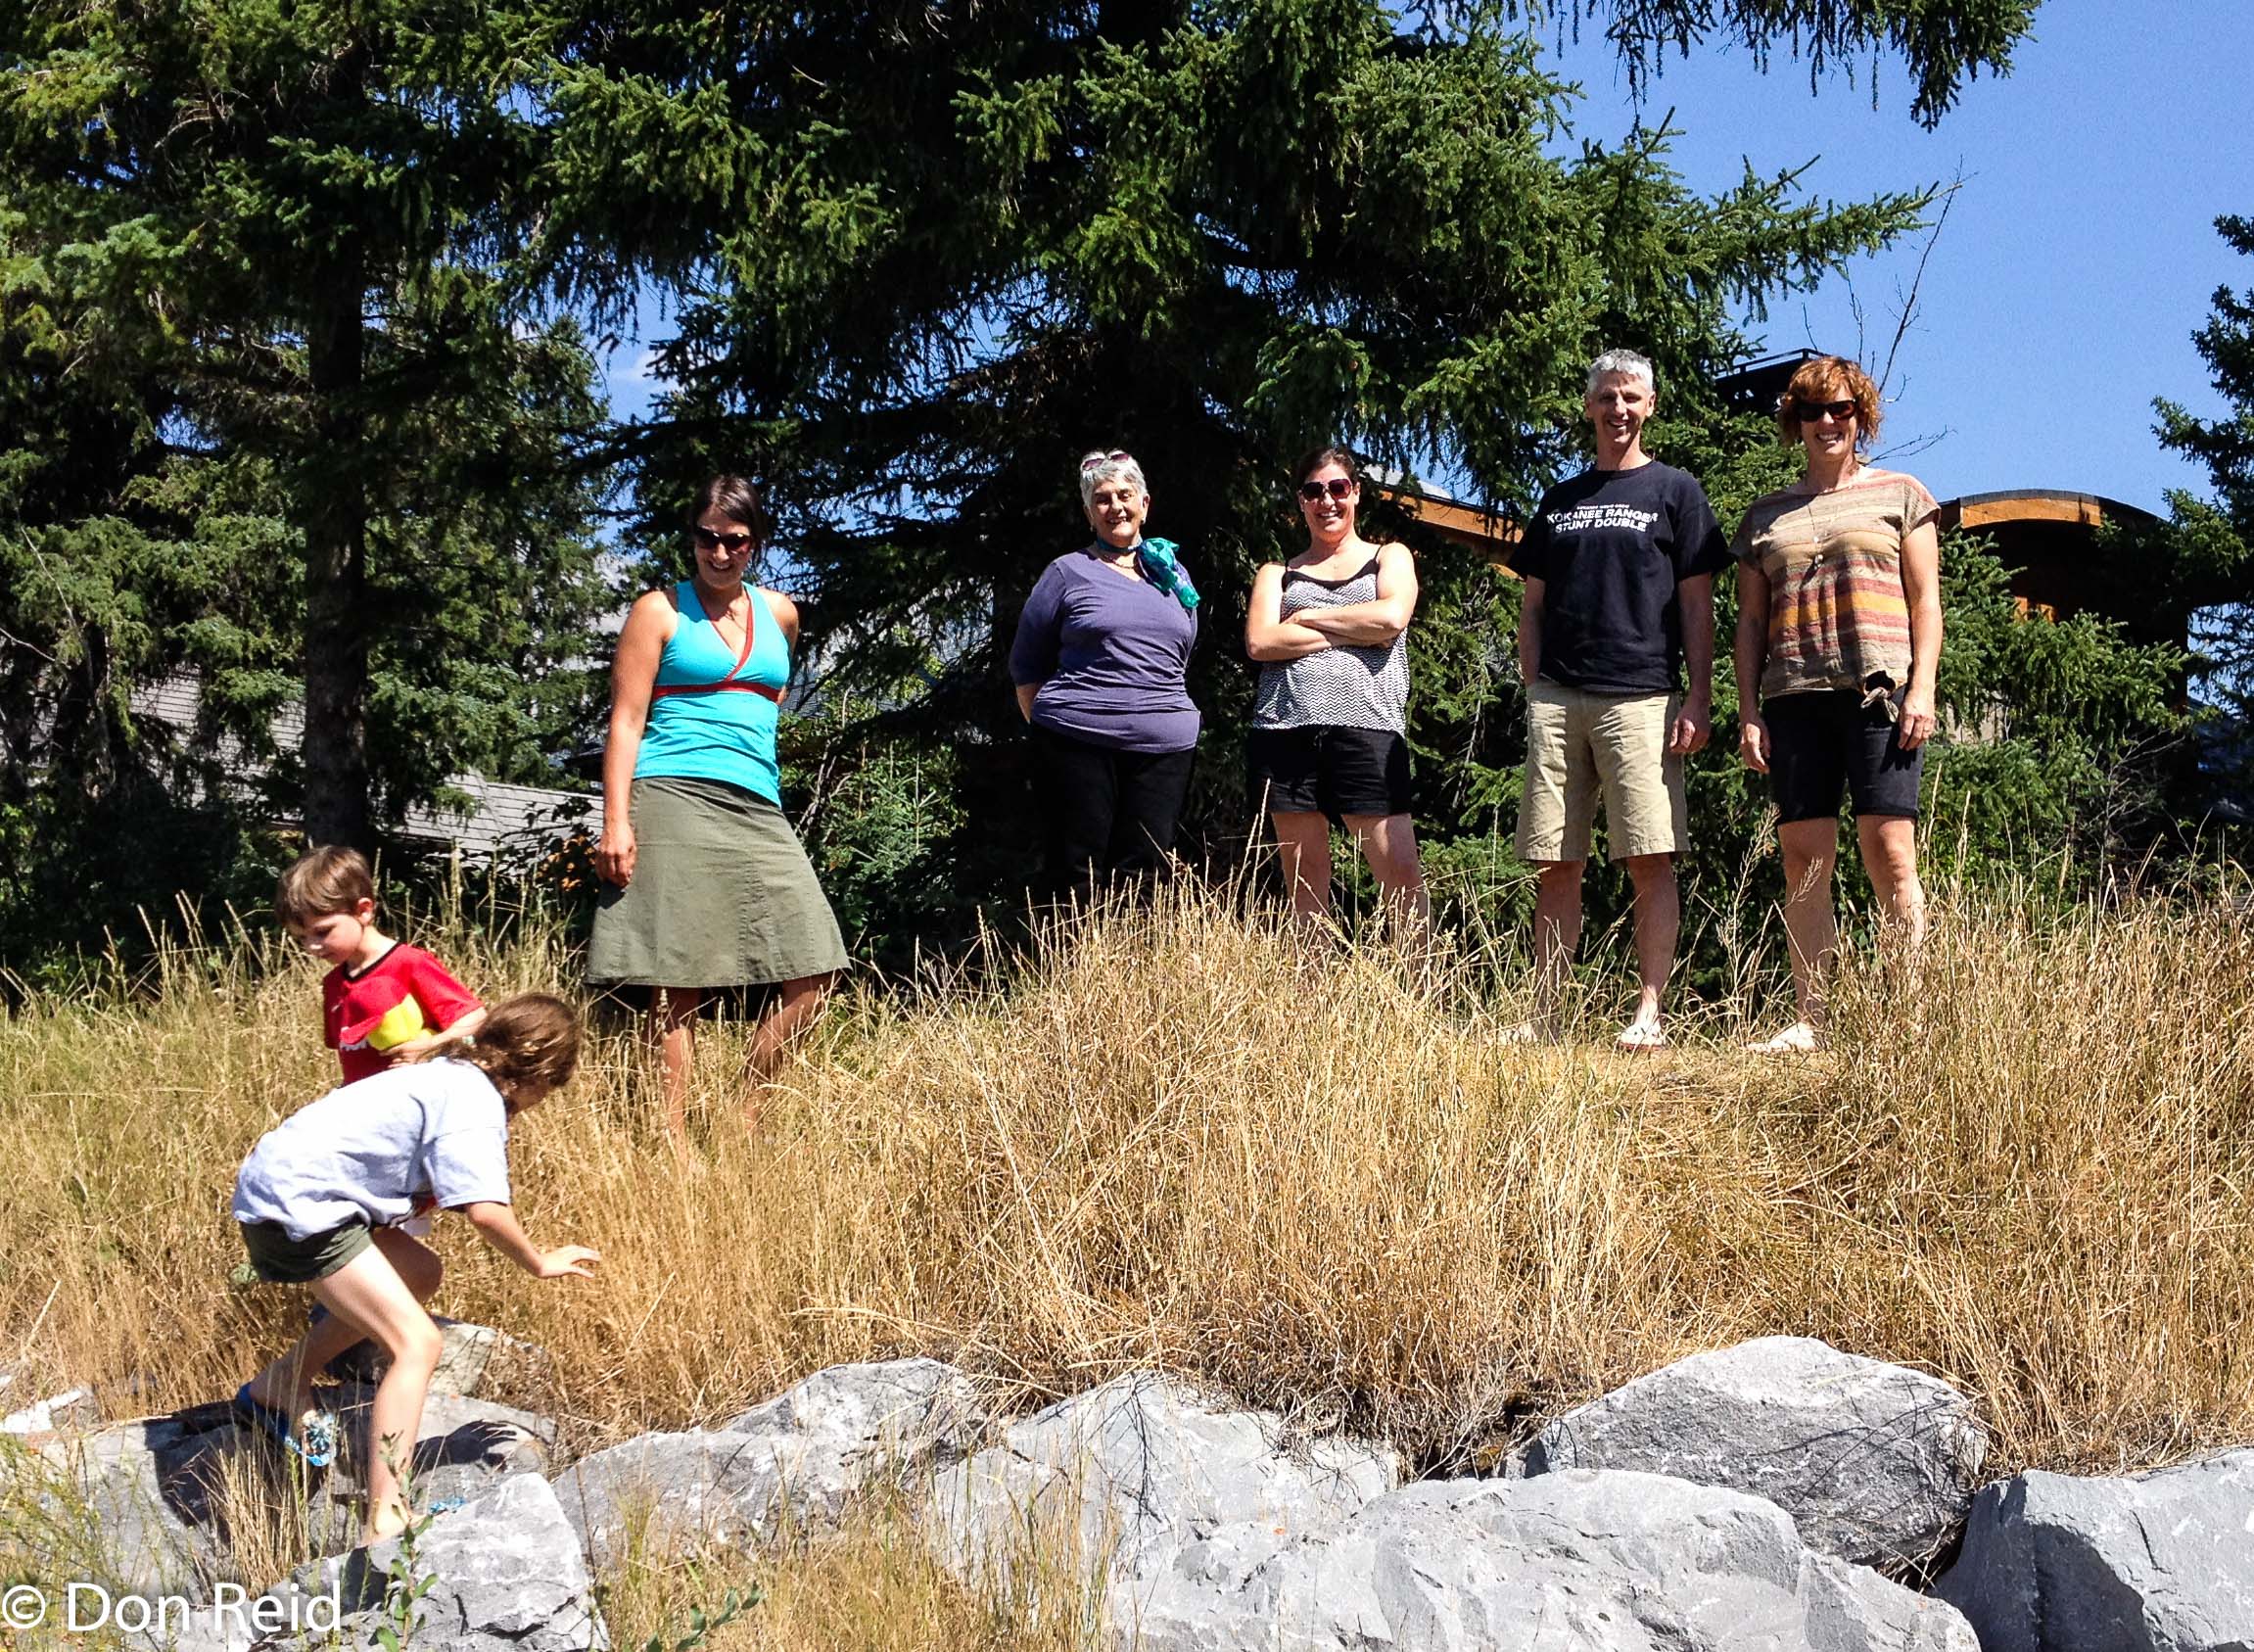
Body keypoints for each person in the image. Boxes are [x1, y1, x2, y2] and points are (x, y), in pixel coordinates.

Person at [231, 993, 598, 1544]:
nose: (541, 1101)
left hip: (282, 1195)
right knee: (418, 1345)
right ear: (540, 1073)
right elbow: (485, 1210)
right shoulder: (474, 1103)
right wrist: (539, 1260)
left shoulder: (449, 1073)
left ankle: (282, 1382)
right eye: (549, 1089)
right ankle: (387, 1513)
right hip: (301, 1210)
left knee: (419, 1271)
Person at [589, 475, 848, 1138]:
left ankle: (743, 1115)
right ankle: (672, 1142)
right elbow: (626, 721)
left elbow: (769, 702)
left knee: (817, 965)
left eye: (735, 540)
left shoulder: (781, 615)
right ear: (693, 538)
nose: (720, 552)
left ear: (755, 543)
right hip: (670, 792)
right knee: (677, 975)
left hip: (758, 802)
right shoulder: (659, 611)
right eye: (708, 538)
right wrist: (615, 821)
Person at [1510, 348, 1728, 1049]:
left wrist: (1699, 696)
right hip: (1558, 699)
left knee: (1649, 856)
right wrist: (1535, 683)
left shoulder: (1676, 491)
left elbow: (1697, 606)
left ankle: (1649, 1014)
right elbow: (1532, 604)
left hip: (1642, 698)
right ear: (1589, 407)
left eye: (1631, 396)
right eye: (1607, 396)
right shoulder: (1560, 499)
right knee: (1556, 861)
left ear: (1650, 406)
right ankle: (1545, 1015)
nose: (1619, 408)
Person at [1733, 354, 1941, 1053]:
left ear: (1860, 416)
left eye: (1841, 409)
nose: (1827, 421)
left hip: (1879, 696)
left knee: (1891, 854)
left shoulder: (1902, 494)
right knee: (1802, 859)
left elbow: (1926, 603)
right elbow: (1750, 624)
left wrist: (1922, 687)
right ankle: (1812, 1020)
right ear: (1795, 421)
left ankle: (1906, 1023)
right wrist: (1749, 711)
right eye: (1813, 410)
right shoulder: (1765, 517)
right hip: (1793, 697)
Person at [1244, 446, 1428, 932]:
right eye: (1314, 491)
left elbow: (1391, 617)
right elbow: (1261, 641)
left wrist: (1307, 618)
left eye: (1338, 488)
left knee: (1401, 877)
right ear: (1301, 501)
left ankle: (1418, 979)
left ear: (1356, 493)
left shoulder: (1389, 557)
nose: (1327, 501)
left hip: (1368, 729)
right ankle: (1312, 982)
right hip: (1284, 730)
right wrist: (1355, 629)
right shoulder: (1277, 573)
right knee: (1304, 885)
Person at [1010, 449, 1201, 891]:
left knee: (1145, 878)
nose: (1115, 506)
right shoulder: (1067, 572)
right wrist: (1055, 732)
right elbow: (1026, 665)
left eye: (1124, 495)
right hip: (1076, 741)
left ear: (1144, 504)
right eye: (1102, 498)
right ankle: (1073, 942)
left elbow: (1181, 652)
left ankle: (1131, 943)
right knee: (1076, 876)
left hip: (1164, 745)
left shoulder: (1174, 575)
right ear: (1088, 513)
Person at [276, 845, 487, 1088]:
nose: (312, 946)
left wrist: (431, 1046)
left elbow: (476, 1019)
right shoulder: (334, 984)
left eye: (322, 932)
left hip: (418, 1099)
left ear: (363, 911)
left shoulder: (409, 963)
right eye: (301, 938)